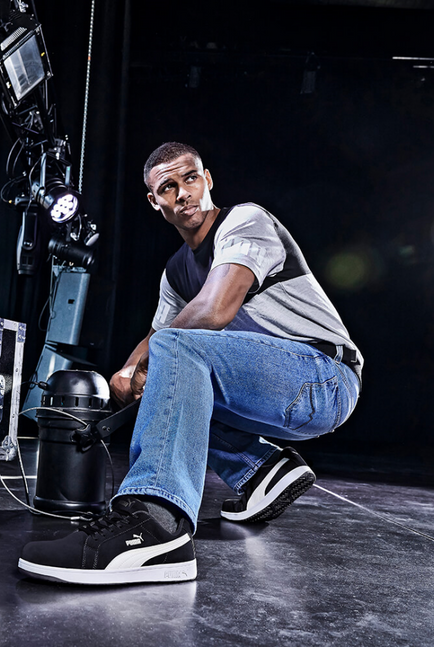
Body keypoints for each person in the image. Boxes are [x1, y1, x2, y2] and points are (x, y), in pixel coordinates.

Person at [18, 142, 363, 585]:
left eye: (191, 178)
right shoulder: (176, 272)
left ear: (208, 180)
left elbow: (213, 310)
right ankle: (261, 469)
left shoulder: (245, 221)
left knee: (177, 354)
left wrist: (149, 363)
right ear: (154, 201)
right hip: (275, 390)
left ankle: (157, 523)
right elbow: (157, 337)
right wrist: (127, 374)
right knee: (171, 373)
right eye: (168, 187)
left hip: (324, 379)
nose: (183, 193)